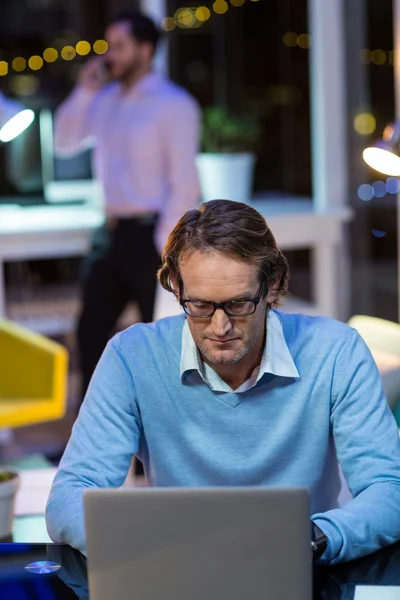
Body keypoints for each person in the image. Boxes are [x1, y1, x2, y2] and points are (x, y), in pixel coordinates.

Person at [46, 199, 400, 565]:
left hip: (303, 569)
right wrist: (145, 545)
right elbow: (70, 496)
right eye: (199, 305)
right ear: (176, 288)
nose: (220, 327)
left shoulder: (335, 351)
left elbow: (389, 491)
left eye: (239, 304)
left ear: (273, 285)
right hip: (175, 567)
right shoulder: (131, 357)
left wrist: (310, 540)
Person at [54, 10, 201, 398]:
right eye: (108, 46)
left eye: (119, 46)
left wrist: (165, 244)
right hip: (111, 232)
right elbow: (64, 141)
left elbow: (184, 181)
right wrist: (85, 89)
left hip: (152, 237)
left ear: (145, 49)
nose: (109, 56)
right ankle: (93, 435)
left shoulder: (173, 104)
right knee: (90, 332)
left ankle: (161, 441)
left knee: (164, 341)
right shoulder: (104, 100)